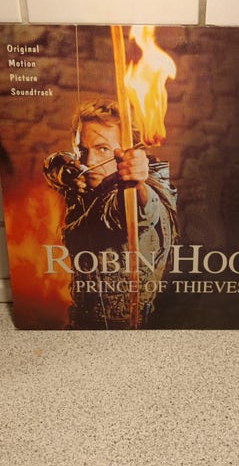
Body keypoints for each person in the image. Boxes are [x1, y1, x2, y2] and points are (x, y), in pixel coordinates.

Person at [43, 99, 178, 329]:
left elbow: (136, 210)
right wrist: (60, 169)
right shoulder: (83, 182)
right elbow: (56, 162)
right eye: (82, 150)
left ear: (127, 153)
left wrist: (136, 183)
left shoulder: (137, 192)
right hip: (80, 327)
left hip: (126, 331)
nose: (89, 162)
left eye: (103, 149)